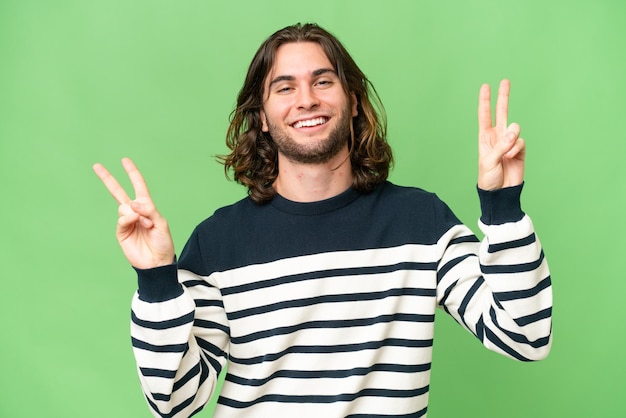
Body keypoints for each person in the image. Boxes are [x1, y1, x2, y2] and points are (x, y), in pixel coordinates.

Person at [93, 23, 552, 418]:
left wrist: (502, 205)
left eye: (323, 81)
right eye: (285, 87)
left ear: (353, 101)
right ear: (265, 119)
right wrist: (156, 280)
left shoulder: (420, 222)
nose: (306, 100)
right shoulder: (218, 244)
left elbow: (525, 335)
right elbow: (175, 401)